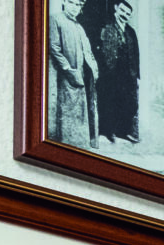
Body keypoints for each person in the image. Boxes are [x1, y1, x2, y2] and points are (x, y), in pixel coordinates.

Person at [47, 0, 98, 148]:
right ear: (64, 2)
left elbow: (87, 51)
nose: (76, 8)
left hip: (82, 75)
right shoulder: (55, 19)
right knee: (67, 113)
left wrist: (94, 68)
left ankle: (80, 146)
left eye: (79, 5)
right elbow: (54, 48)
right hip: (66, 77)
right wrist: (68, 69)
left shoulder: (79, 27)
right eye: (73, 3)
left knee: (81, 113)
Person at [94, 0, 139, 144]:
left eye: (128, 13)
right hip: (111, 73)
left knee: (128, 103)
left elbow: (136, 54)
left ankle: (123, 132)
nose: (124, 15)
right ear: (116, 9)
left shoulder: (131, 32)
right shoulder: (106, 26)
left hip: (128, 74)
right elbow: (100, 52)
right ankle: (107, 132)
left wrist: (137, 75)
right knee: (109, 102)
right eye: (122, 11)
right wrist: (102, 71)